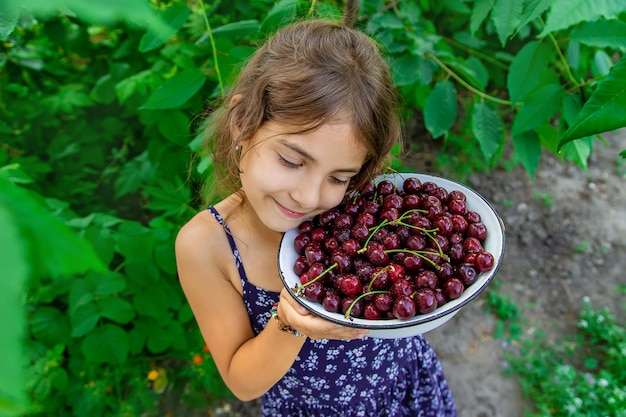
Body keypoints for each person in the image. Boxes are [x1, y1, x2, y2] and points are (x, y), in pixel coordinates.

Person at [175, 5, 458, 416]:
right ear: (241, 123)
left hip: (401, 389)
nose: (309, 198)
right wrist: (289, 325)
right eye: (292, 161)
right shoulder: (207, 246)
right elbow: (241, 381)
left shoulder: (362, 210)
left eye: (339, 177)